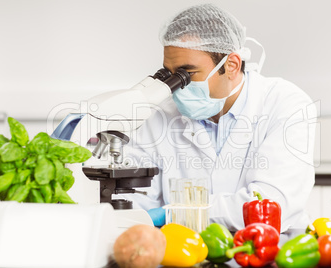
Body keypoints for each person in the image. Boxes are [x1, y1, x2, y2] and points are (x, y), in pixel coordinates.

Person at [121, 3, 317, 232]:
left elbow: (271, 206)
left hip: (271, 249)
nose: (177, 86)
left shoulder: (285, 103)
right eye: (170, 74)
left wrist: (175, 213)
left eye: (188, 74)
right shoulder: (159, 115)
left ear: (231, 65)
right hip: (186, 252)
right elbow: (136, 204)